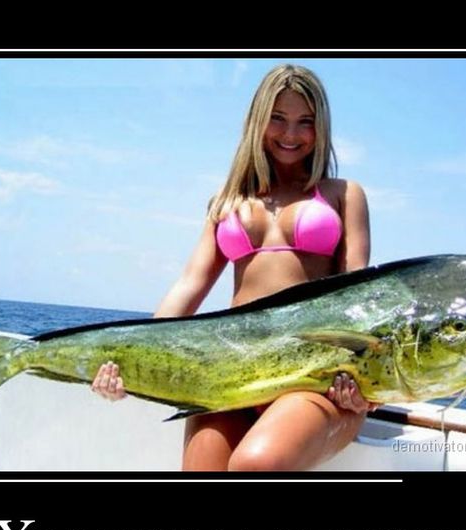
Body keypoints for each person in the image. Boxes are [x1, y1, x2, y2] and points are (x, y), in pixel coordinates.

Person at [92, 63, 376, 471]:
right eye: (277, 118)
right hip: (231, 372)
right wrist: (130, 360)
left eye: (305, 122)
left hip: (316, 377)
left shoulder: (344, 194)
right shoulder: (227, 200)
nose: (291, 133)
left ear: (321, 127)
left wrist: (366, 383)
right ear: (257, 120)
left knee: (254, 465)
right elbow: (189, 285)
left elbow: (358, 295)